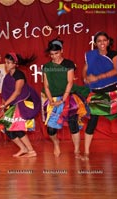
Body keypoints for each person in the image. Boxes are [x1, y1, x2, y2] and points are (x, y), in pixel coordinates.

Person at [42, 39, 88, 158]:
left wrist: (62, 100)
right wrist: (51, 100)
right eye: (51, 54)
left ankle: (77, 151)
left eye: (56, 53)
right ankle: (56, 143)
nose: (54, 57)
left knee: (73, 125)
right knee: (51, 130)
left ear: (61, 51)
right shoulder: (47, 67)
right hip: (53, 98)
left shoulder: (68, 64)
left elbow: (69, 83)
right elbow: (46, 86)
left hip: (68, 98)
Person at [0, 53, 40, 157]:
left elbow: (17, 92)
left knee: (17, 128)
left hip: (22, 103)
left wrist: (5, 105)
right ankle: (23, 148)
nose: (6, 65)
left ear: (15, 63)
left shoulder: (19, 75)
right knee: (7, 129)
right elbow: (5, 94)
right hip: (12, 104)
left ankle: (31, 151)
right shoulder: (7, 77)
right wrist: (3, 109)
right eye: (5, 62)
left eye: (9, 62)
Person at [82, 31, 117, 160]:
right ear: (95, 43)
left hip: (113, 92)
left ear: (108, 42)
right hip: (97, 93)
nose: (102, 43)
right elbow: (85, 69)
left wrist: (98, 77)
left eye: (104, 40)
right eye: (99, 41)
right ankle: (86, 153)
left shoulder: (113, 54)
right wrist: (85, 78)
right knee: (93, 120)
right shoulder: (91, 56)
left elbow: (116, 70)